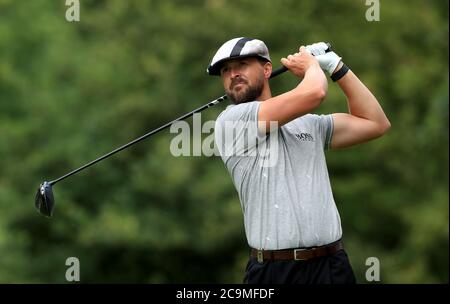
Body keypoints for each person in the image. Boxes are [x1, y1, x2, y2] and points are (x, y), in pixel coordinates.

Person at [209, 37, 390, 284]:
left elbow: (375, 123)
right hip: (274, 272)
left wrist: (337, 67)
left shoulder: (309, 124)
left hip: (331, 265)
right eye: (225, 70)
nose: (232, 74)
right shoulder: (230, 122)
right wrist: (312, 66)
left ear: (267, 69)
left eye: (241, 64)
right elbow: (315, 92)